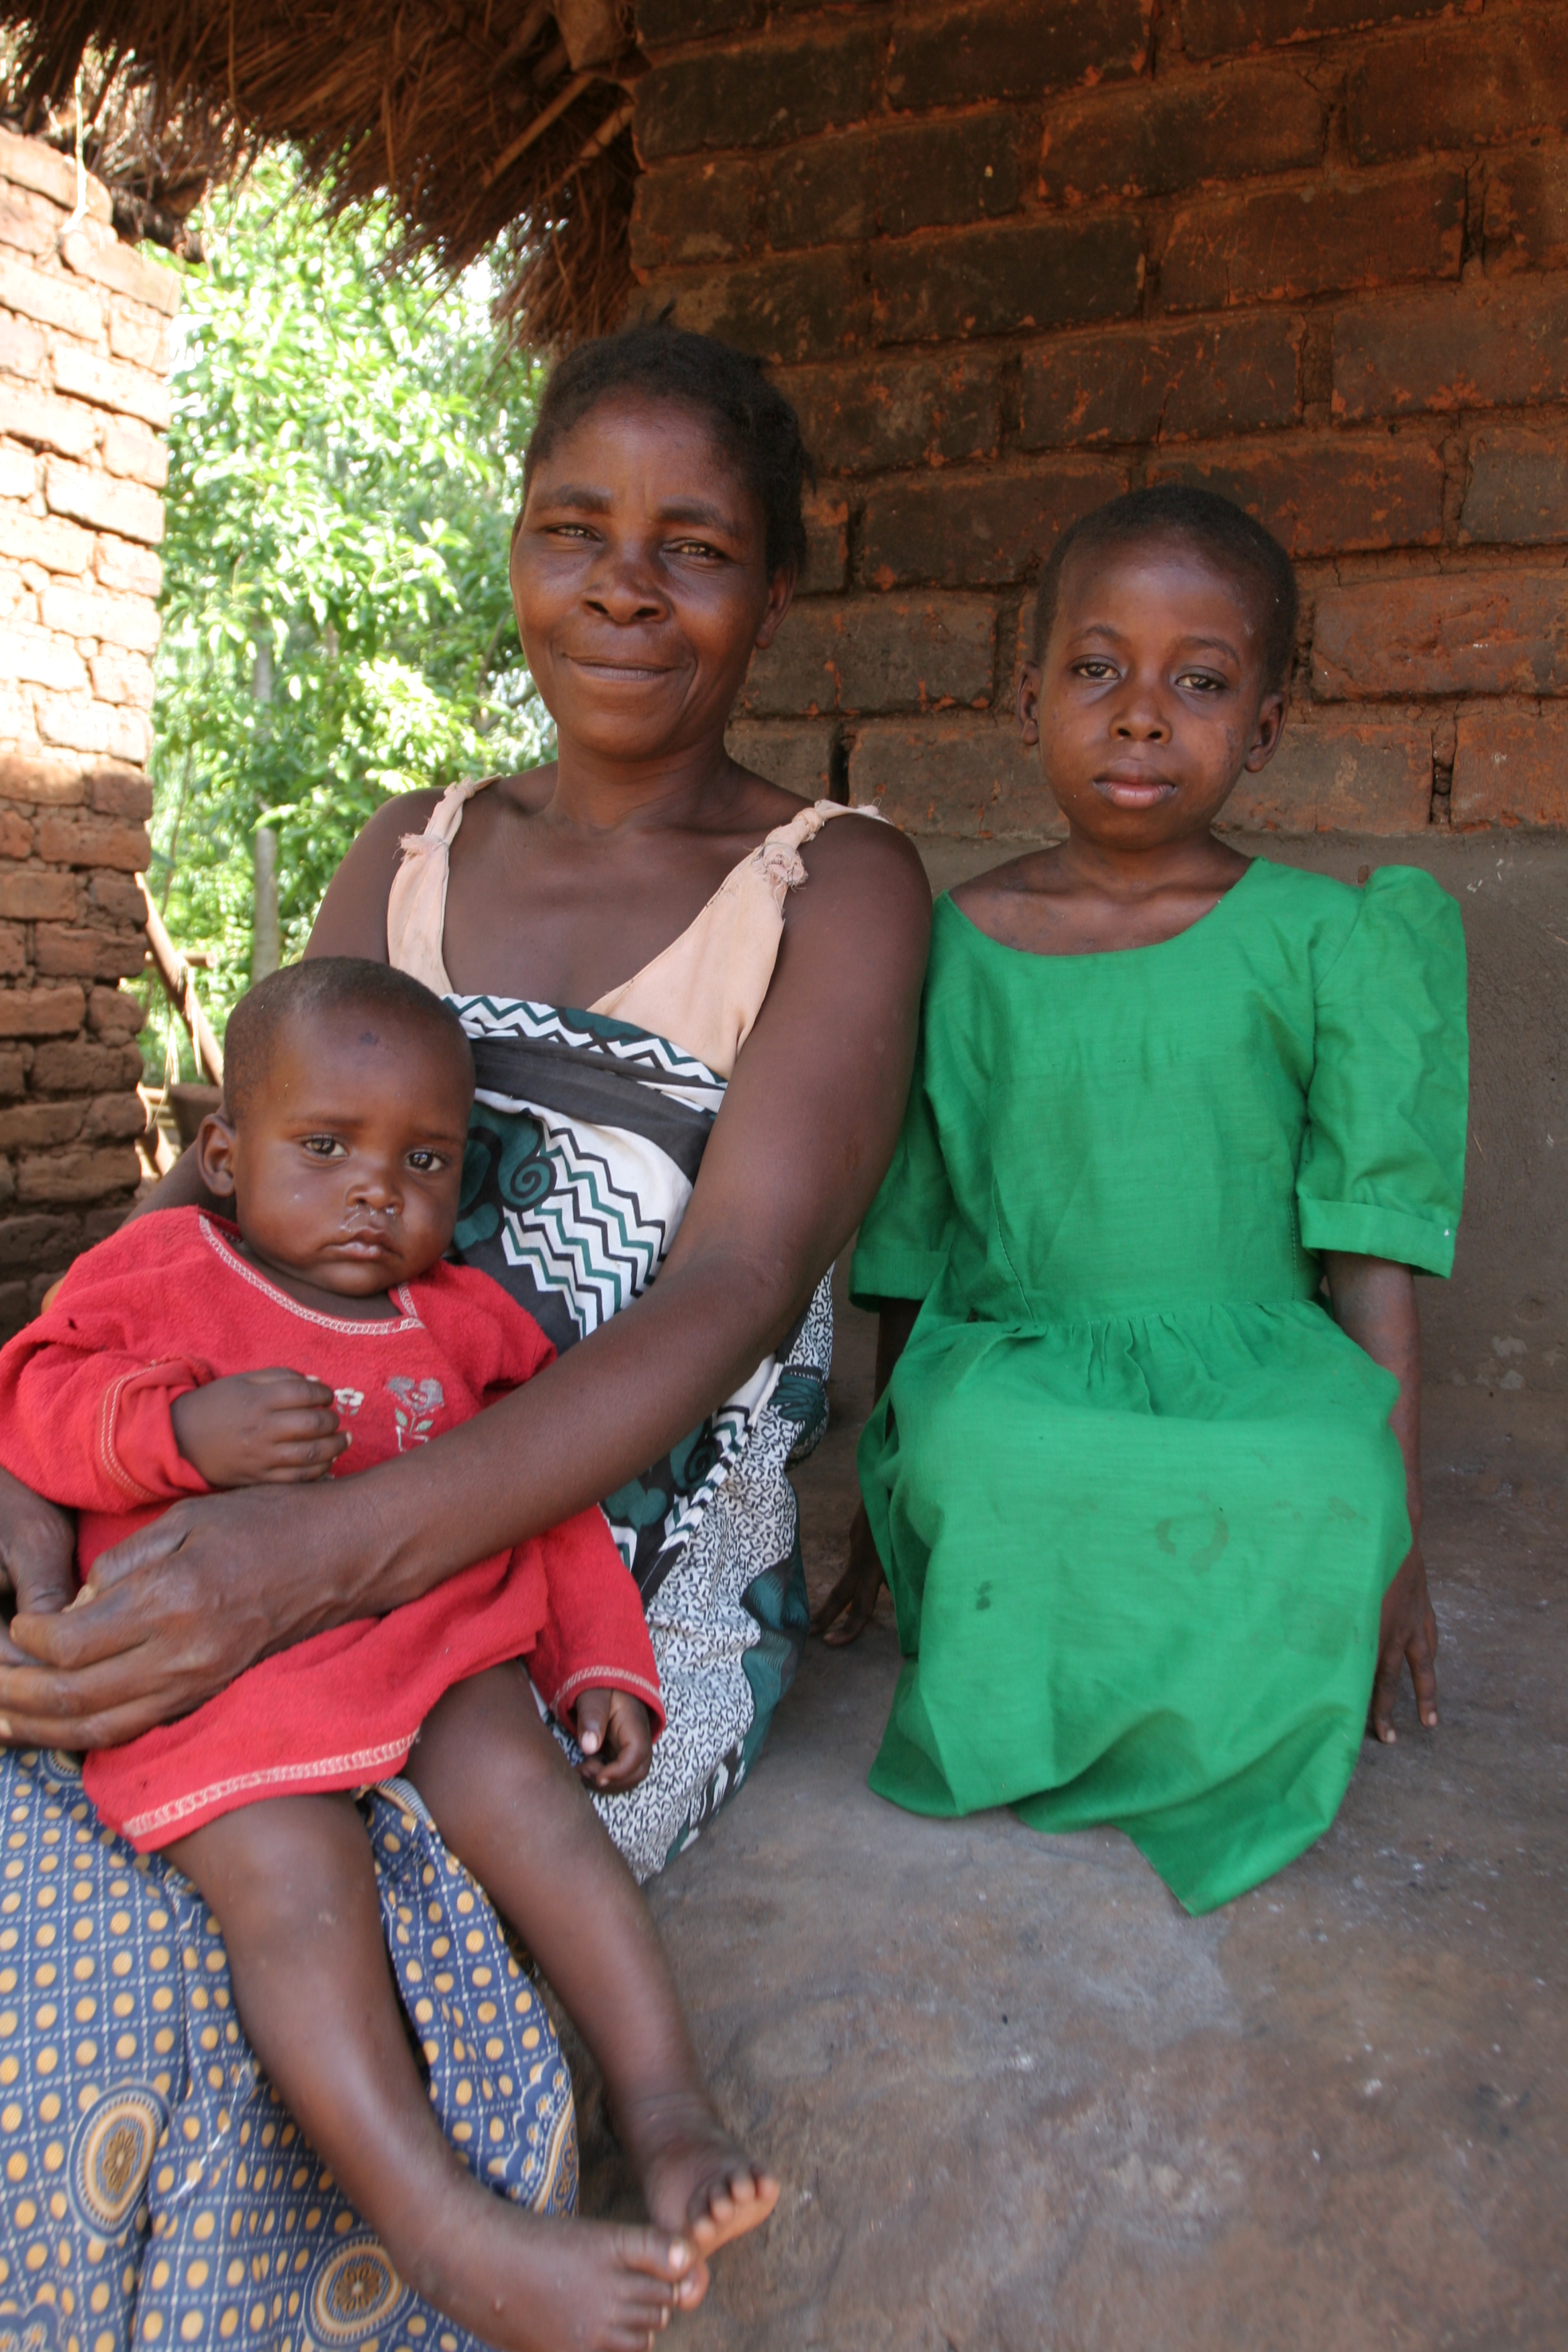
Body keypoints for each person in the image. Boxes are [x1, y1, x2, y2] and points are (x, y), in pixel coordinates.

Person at [0, 325, 930, 2352]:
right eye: (573, 530)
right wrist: (36, 1469)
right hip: (289, 1478)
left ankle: (440, 2233)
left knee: (271, 1903)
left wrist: (319, 1557)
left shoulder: (829, 883)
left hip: (590, 1555)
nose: (622, 583)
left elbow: (733, 1286)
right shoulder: (405, 854)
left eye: (693, 546)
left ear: (779, 583)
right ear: (512, 548)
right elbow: (210, 1198)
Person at [0, 954, 777, 2351]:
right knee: (299, 1884)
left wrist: (601, 1666)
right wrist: (171, 1436)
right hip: (211, 1685)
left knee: (536, 1815)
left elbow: (547, 1510)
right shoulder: (161, 1268)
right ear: (222, 1158)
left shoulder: (467, 1322)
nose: (380, 1191)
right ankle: (439, 2222)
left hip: (429, 1651)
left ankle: (663, 2107)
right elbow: (37, 1401)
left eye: (425, 1160)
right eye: (324, 1149)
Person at [815, 485, 1467, 1916]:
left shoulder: (1328, 940)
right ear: (1027, 691)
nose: (1139, 715)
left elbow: (1367, 1270)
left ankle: (1178, 1678)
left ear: (1268, 724)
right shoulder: (953, 945)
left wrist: (1394, 1545)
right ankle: (1163, 1674)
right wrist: (879, 1496)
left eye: (1201, 682)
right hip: (1023, 1353)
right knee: (973, 1454)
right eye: (1096, 669)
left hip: (1252, 1358)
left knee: (1323, 1475)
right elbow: (912, 1243)